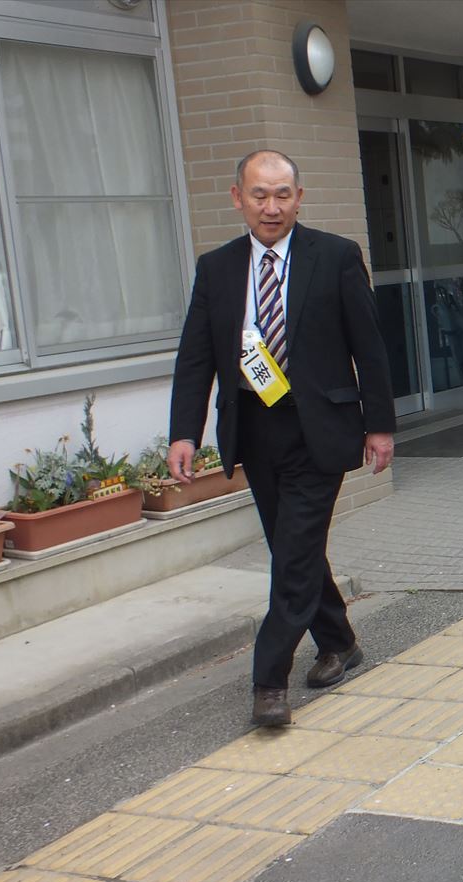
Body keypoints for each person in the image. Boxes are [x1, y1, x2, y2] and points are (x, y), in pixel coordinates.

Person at [169, 149, 395, 727]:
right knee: (292, 548)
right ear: (237, 197)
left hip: (319, 428)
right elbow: (195, 359)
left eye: (283, 194)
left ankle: (268, 680)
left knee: (292, 553)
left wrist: (380, 425)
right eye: (260, 195)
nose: (272, 207)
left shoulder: (337, 257)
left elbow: (368, 347)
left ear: (300, 197)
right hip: (254, 427)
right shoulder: (217, 268)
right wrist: (183, 435)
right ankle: (340, 640)